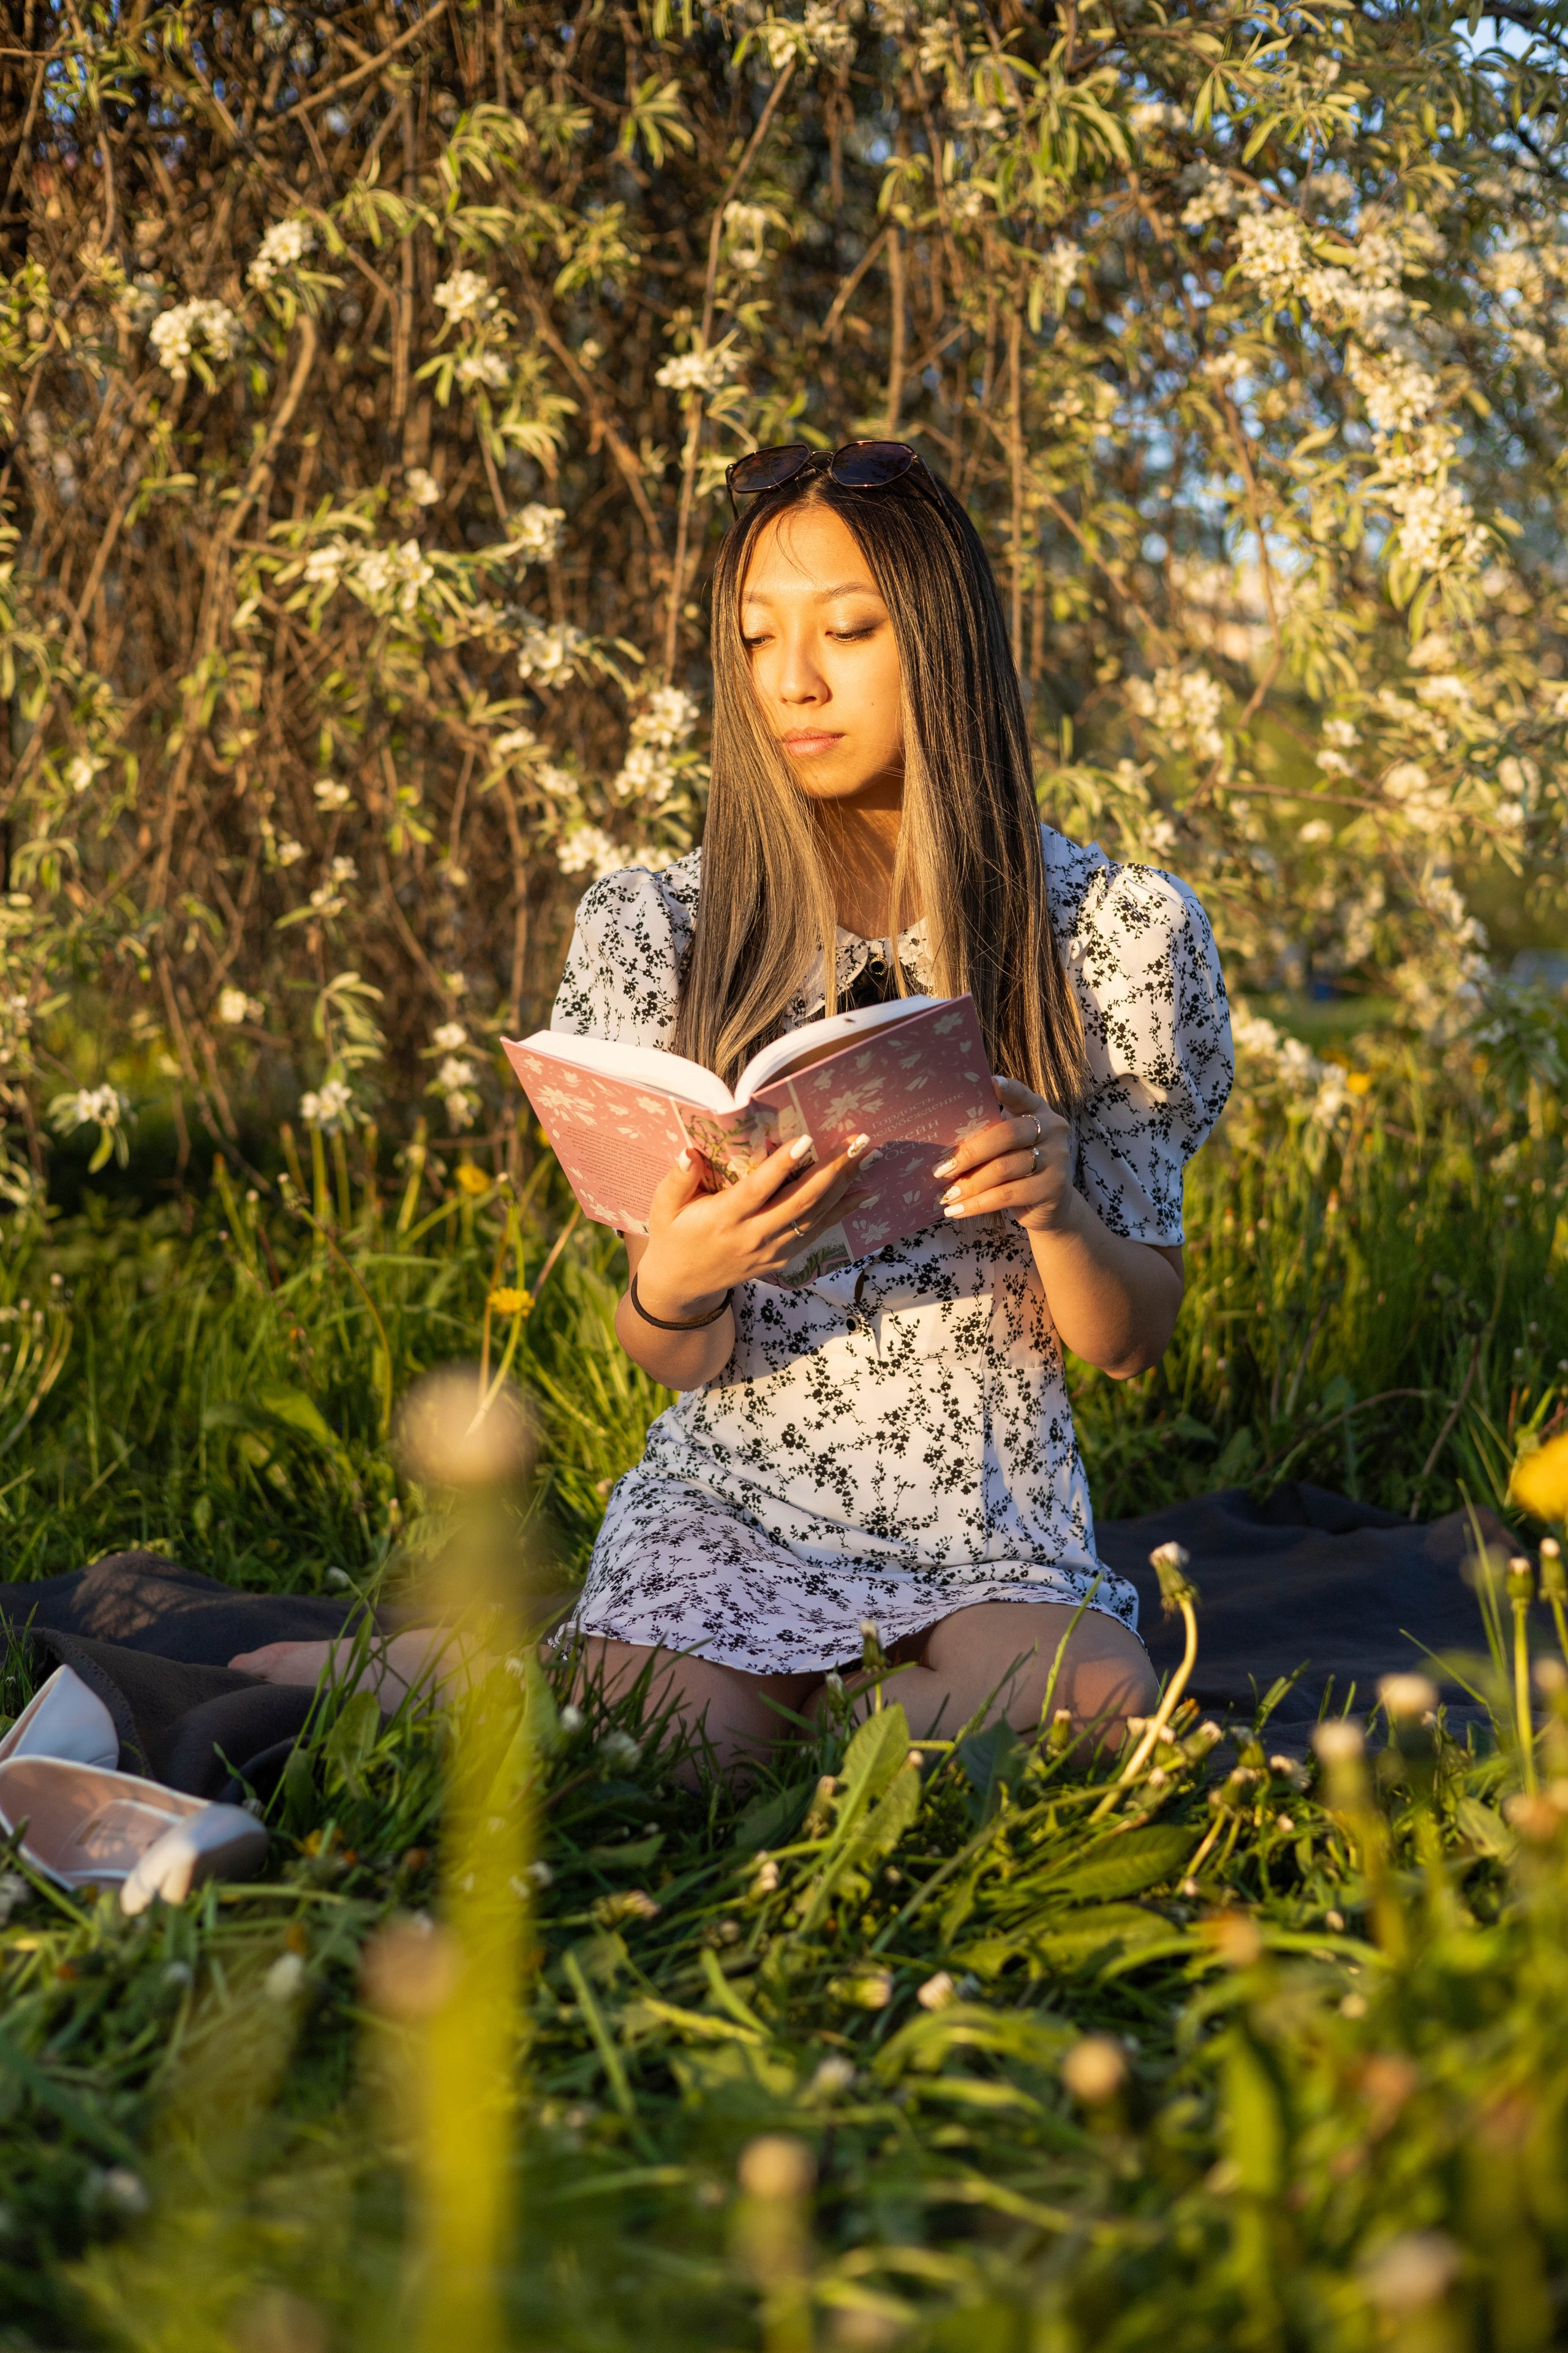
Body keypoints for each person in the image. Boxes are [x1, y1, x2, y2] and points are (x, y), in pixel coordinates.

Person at [235, 440, 1232, 1774]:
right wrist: (680, 1279)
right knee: (670, 1748)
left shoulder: (1106, 934)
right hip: (736, 1505)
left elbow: (1132, 1340)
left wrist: (1057, 1212)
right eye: (758, 638)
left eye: (848, 630)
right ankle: (527, 1671)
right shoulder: (667, 931)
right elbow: (665, 1352)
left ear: (940, 642)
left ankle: (766, 1711)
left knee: (1108, 1710)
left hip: (991, 1524)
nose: (792, 680)